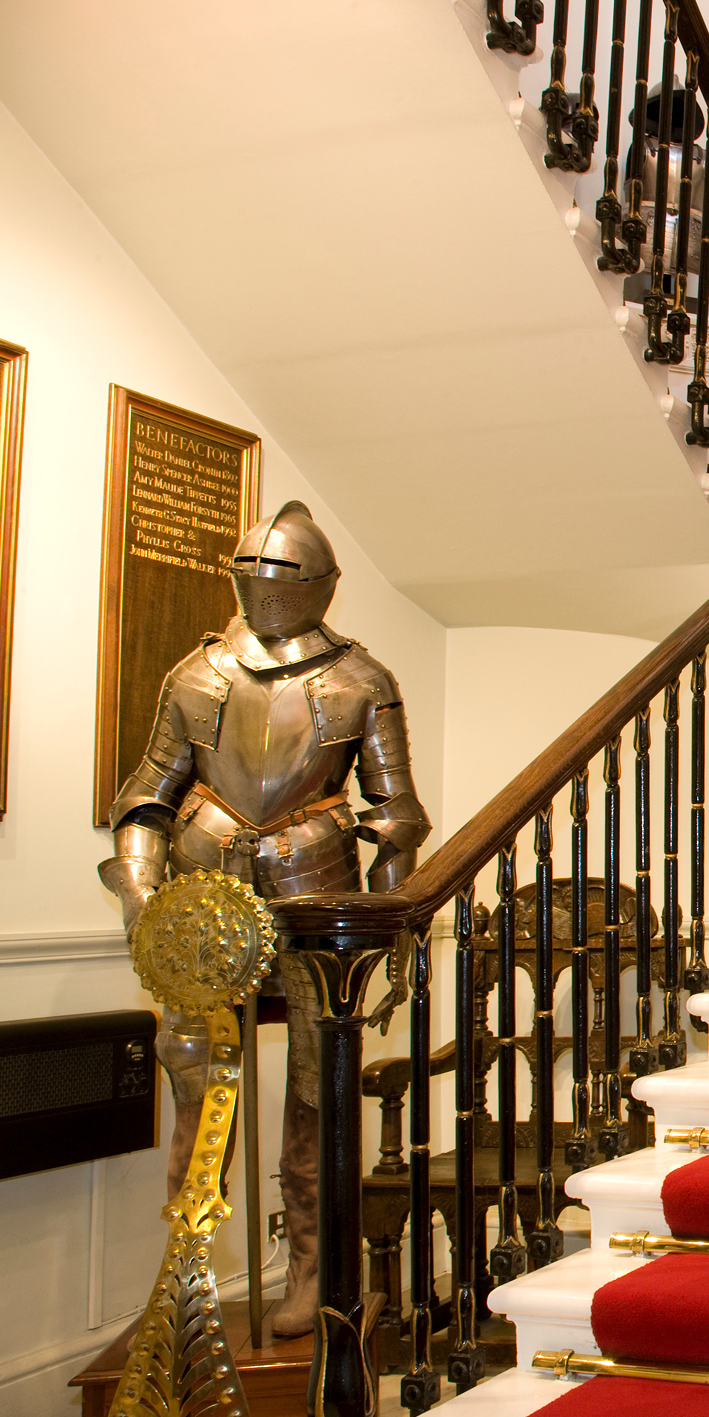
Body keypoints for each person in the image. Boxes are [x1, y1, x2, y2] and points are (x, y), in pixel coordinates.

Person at [99, 501, 430, 1338]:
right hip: (202, 887)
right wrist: (142, 891)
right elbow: (147, 795)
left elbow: (396, 814)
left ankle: (312, 1266)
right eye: (259, 571)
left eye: (286, 574)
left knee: (317, 1089)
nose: (270, 587)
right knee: (197, 1083)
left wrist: (390, 933)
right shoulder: (197, 674)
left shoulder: (362, 681)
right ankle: (187, 1270)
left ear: (319, 586)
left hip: (316, 890)